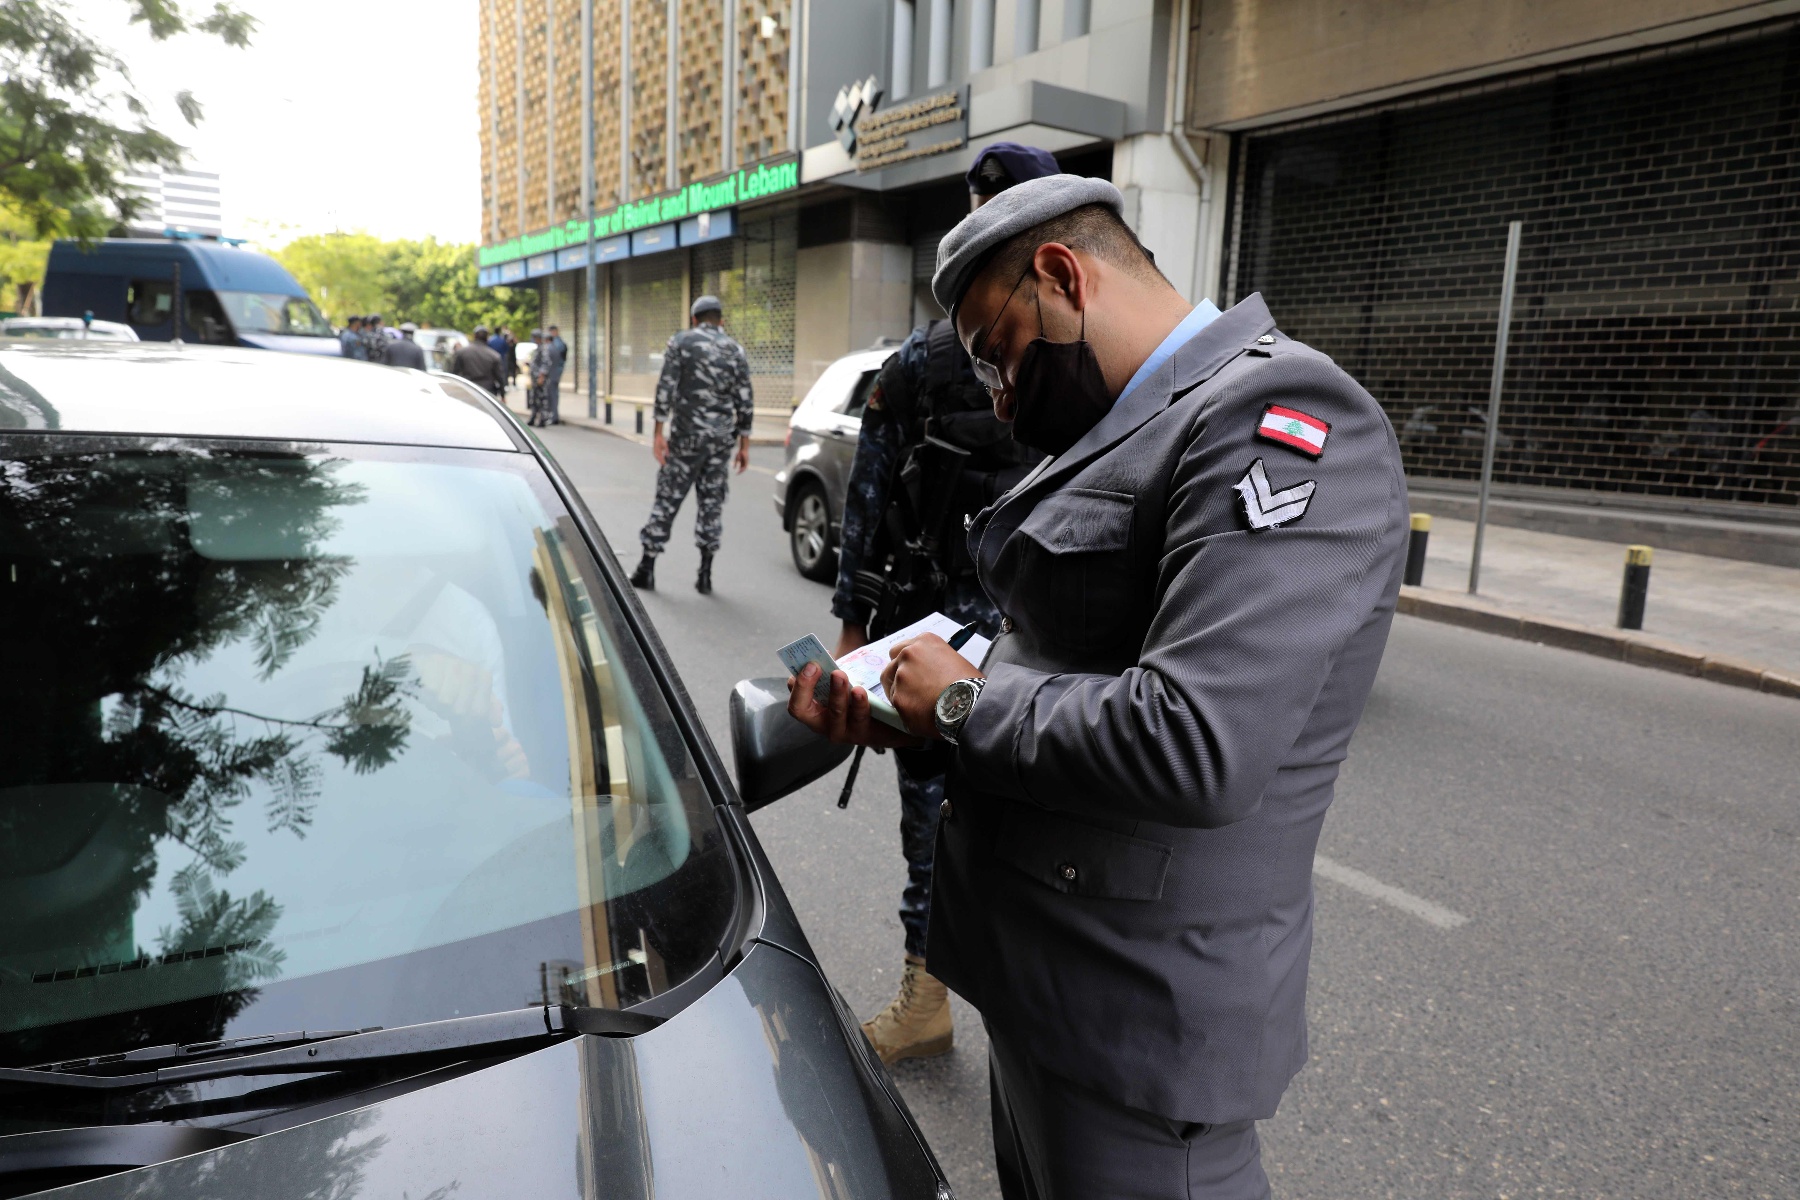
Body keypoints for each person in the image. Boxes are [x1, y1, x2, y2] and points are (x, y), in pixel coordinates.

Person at [786, 174, 1409, 1198]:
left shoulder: (1278, 411)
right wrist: (924, 712)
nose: (996, 395)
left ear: (1063, 274)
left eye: (999, 353)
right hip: (1045, 993)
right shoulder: (1134, 419)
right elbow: (1072, 661)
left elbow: (1198, 737)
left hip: (1136, 1026)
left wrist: (962, 701)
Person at [831, 141, 1060, 1067]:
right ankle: (986, 1001)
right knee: (1027, 814)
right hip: (1038, 640)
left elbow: (869, 491)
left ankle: (931, 996)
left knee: (933, 814)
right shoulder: (1085, 353)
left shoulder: (922, 357)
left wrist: (854, 621)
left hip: (942, 627)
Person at [627, 295, 752, 595]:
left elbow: (666, 388)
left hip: (686, 439)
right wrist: (744, 444)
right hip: (721, 441)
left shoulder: (681, 342)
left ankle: (647, 566)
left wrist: (657, 432)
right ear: (720, 320)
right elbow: (744, 400)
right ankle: (705, 573)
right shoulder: (735, 350)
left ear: (694, 319)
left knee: (668, 499)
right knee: (712, 503)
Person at [449, 325, 504, 396]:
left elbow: (454, 373)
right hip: (488, 393)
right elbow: (500, 377)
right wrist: (503, 395)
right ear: (487, 337)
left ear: (475, 336)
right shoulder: (494, 355)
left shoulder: (462, 353)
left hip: (468, 390)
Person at [530, 324, 568, 426]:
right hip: (550, 376)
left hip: (548, 378)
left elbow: (546, 363)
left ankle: (548, 417)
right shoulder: (553, 347)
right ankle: (545, 417)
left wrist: (541, 376)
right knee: (548, 397)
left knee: (547, 398)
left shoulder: (548, 348)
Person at [490, 326, 516, 395]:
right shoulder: (502, 340)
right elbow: (506, 349)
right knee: (503, 374)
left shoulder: (491, 340)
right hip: (501, 359)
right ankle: (503, 387)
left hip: (492, 360)